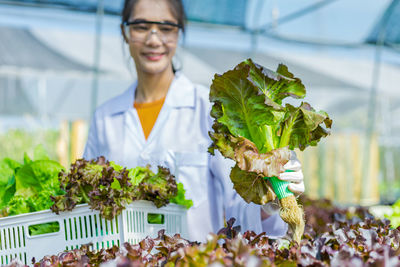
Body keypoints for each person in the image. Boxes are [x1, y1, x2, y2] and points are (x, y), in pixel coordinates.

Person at [83, 0, 305, 242]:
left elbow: (238, 211)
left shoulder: (209, 110)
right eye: (141, 26)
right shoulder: (105, 118)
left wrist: (268, 202)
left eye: (166, 28)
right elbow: (87, 209)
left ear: (179, 33)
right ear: (125, 32)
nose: (154, 40)